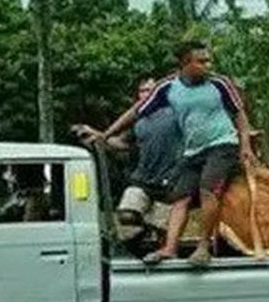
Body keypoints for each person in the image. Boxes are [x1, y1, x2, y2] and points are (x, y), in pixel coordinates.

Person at [99, 41, 256, 266]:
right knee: (180, 198)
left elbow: (239, 115)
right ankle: (169, 249)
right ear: (185, 64)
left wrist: (245, 146)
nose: (208, 65)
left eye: (208, 60)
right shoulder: (167, 88)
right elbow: (136, 112)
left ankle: (203, 248)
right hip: (193, 151)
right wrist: (106, 135)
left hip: (223, 145)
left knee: (207, 190)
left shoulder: (220, 84)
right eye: (202, 61)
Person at [72, 76, 183, 241]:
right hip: (143, 179)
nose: (147, 93)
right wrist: (94, 134)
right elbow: (121, 143)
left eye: (151, 89)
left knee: (163, 233)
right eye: (143, 90)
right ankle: (145, 231)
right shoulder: (138, 121)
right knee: (125, 216)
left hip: (171, 182)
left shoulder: (176, 112)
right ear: (138, 95)